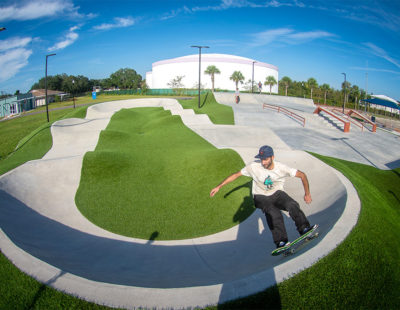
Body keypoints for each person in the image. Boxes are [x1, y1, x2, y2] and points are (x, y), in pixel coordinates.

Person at [210, 145, 314, 249]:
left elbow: (302, 175)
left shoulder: (282, 168)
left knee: (292, 204)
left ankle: (304, 229)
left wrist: (307, 194)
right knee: (273, 213)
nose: (263, 162)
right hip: (260, 196)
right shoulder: (253, 167)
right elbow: (236, 175)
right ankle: (281, 242)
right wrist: (219, 186)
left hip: (277, 193)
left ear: (272, 157)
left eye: (265, 159)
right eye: (261, 159)